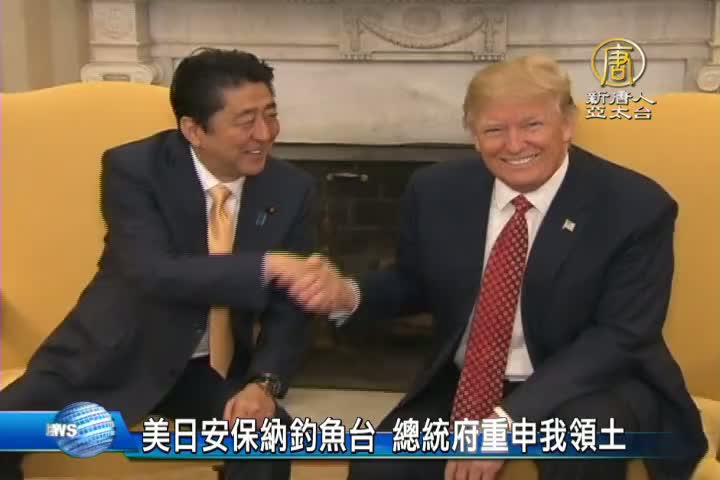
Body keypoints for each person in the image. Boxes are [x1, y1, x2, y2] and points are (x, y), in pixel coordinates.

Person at [288, 56, 708, 480]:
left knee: (582, 447)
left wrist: (508, 422)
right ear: (473, 135)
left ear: (567, 124)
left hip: (591, 382)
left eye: (532, 125)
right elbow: (414, 280)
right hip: (469, 381)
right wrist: (347, 294)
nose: (514, 144)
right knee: (381, 466)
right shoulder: (437, 190)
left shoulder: (634, 206)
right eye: (494, 130)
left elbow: (621, 336)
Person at [0, 48, 319, 480]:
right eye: (246, 121)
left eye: (271, 114)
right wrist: (268, 267)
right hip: (108, 357)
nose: (264, 133)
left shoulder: (291, 188)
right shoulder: (134, 169)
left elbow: (290, 306)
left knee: (268, 438)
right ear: (193, 129)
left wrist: (263, 383)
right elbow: (152, 271)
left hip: (200, 371)